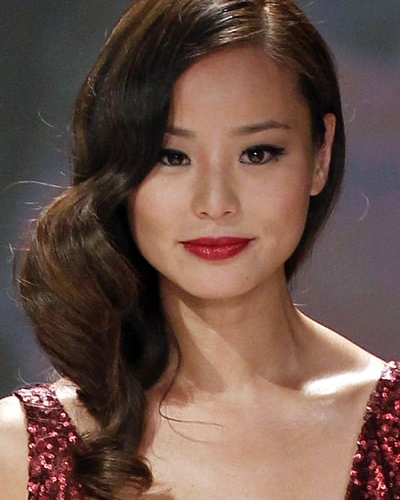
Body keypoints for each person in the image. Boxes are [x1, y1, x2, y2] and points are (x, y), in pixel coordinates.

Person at [0, 0, 399, 499]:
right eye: (172, 156)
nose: (215, 203)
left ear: (320, 156)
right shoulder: (19, 452)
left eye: (257, 154)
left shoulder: (392, 426)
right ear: (118, 171)